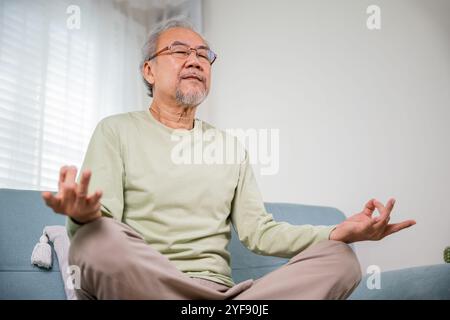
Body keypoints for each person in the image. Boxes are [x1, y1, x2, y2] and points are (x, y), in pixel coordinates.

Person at [42, 19, 416, 300]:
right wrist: (83, 217)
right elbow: (100, 236)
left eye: (203, 54)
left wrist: (337, 233)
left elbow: (261, 233)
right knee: (97, 239)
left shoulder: (231, 148)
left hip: (223, 296)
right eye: (179, 51)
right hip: (147, 285)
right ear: (149, 70)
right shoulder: (116, 130)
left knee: (341, 259)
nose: (195, 60)